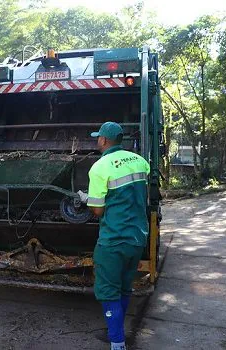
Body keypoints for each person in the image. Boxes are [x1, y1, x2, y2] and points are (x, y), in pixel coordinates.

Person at [78, 122, 150, 350]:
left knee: (108, 291)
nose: (96, 140)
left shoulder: (99, 167)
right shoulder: (140, 162)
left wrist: (86, 199)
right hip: (137, 236)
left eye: (98, 137)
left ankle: (117, 343)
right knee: (124, 288)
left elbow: (97, 210)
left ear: (104, 141)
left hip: (113, 241)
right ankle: (114, 331)